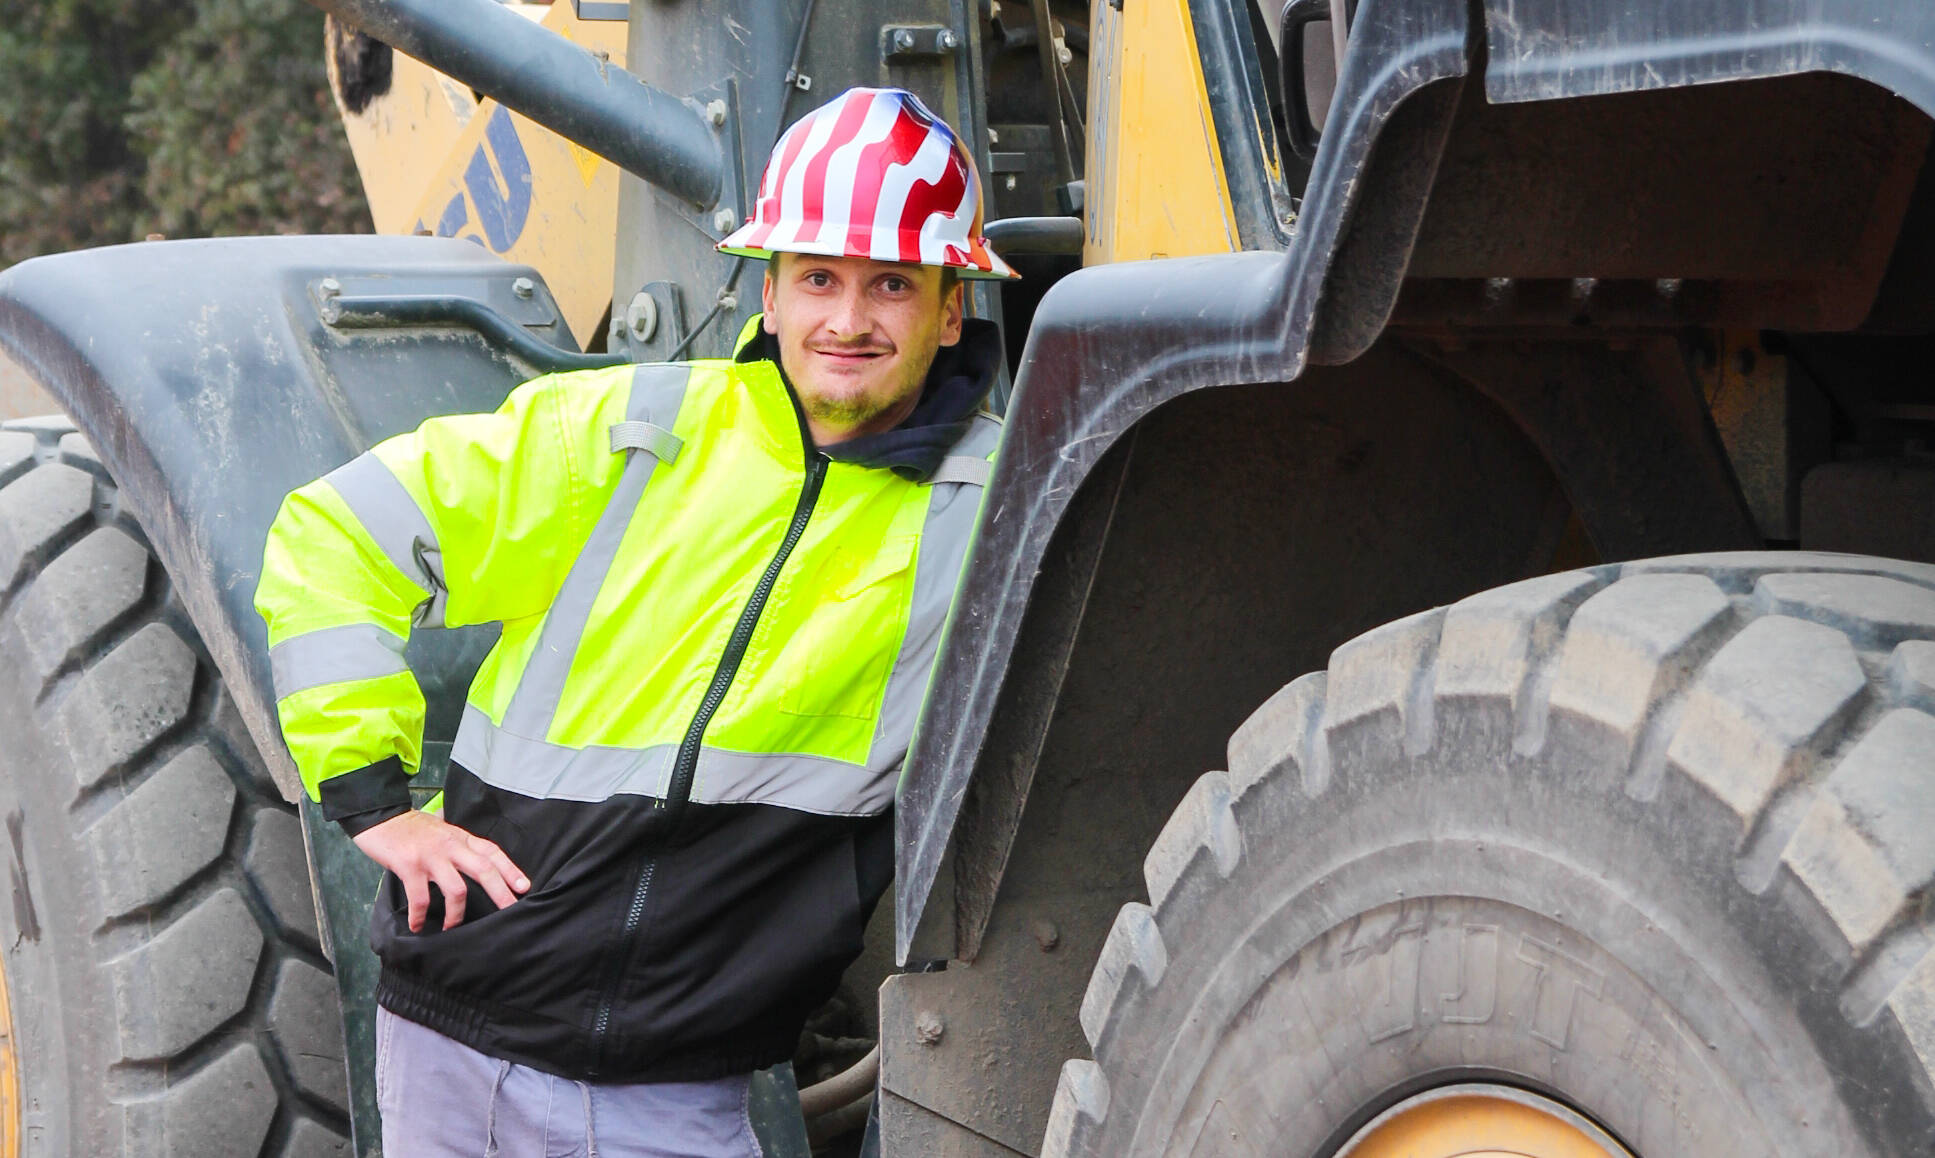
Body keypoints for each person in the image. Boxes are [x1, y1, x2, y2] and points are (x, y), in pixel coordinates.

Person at [254, 86, 1016, 1157]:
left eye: (891, 283)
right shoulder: (629, 435)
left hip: (680, 1095)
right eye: (818, 278)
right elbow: (336, 535)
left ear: (950, 307)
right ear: (771, 290)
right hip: (456, 1056)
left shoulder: (1000, 513)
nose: (847, 319)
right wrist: (372, 801)